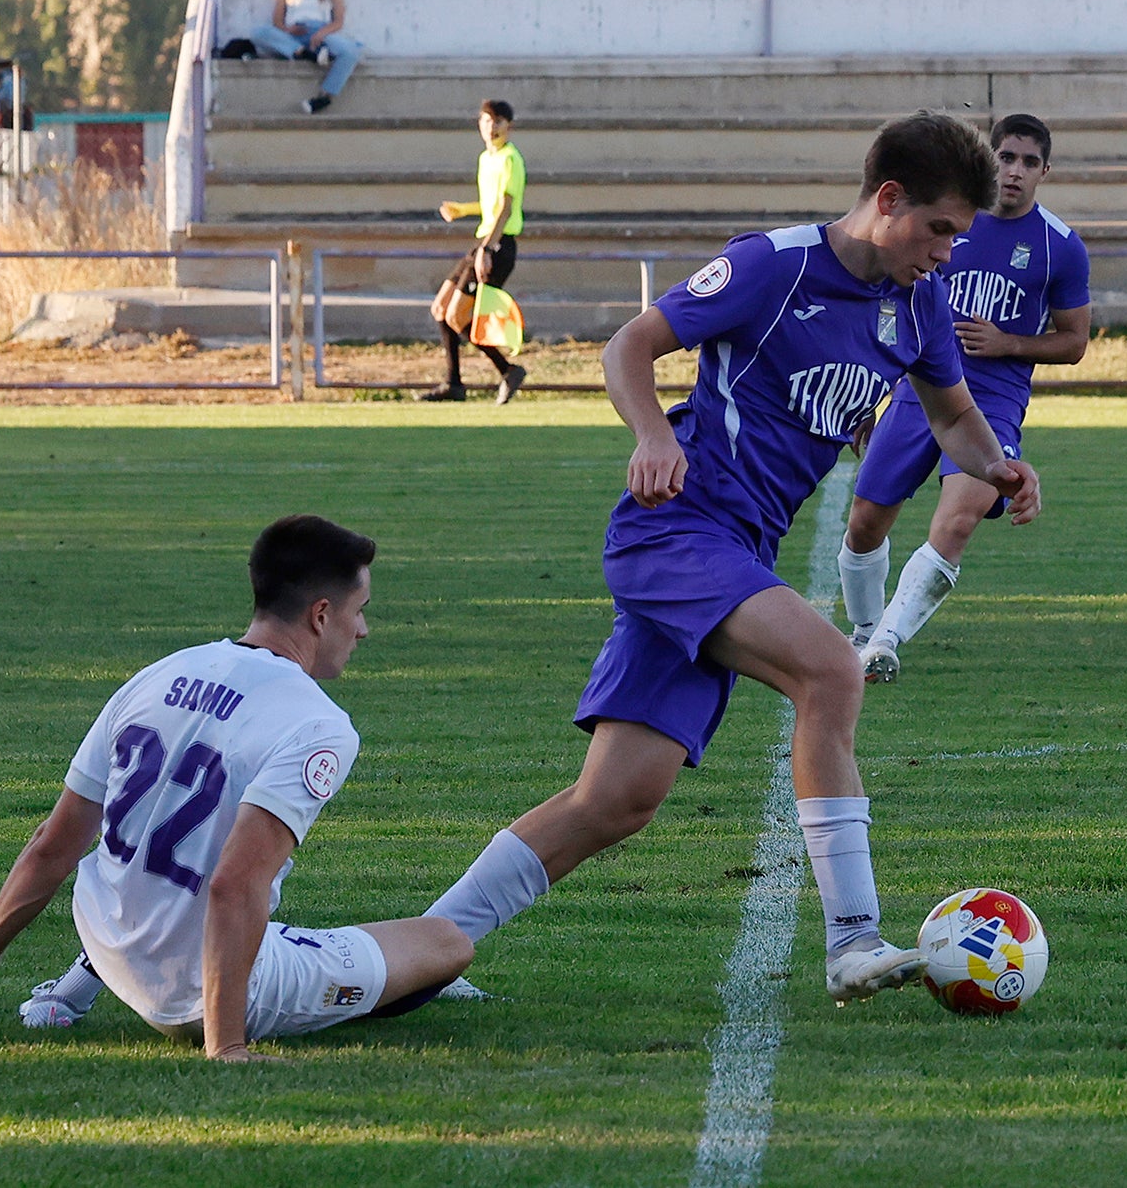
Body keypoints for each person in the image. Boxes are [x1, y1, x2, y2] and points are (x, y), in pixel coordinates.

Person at [419, 111, 1041, 1007]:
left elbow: (952, 415)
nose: (947, 251)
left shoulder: (919, 303)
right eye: (939, 228)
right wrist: (651, 435)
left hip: (735, 550)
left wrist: (1000, 466)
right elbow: (630, 345)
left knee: (618, 798)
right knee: (832, 670)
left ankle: (424, 948)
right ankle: (853, 938)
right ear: (887, 199)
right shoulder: (772, 266)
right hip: (677, 531)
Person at [0, 516, 474, 1061]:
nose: (363, 630)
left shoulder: (159, 673)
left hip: (108, 941)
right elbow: (235, 884)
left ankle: (81, 981)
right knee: (445, 943)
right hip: (193, 995)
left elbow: (54, 841)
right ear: (322, 614)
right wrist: (225, 1043)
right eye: (360, 611)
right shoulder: (318, 724)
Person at [838, 113, 1090, 685]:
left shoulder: (1060, 247)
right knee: (865, 523)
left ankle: (884, 644)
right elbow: (889, 306)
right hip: (918, 390)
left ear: (1045, 171)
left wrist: (1010, 343)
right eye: (1007, 157)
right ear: (988, 160)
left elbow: (1075, 342)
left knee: (957, 521)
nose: (1015, 171)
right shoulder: (945, 222)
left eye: (1029, 162)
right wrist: (873, 388)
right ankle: (864, 631)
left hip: (994, 400)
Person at [423, 99, 528, 403]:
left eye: (497, 121)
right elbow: (491, 204)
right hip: (483, 241)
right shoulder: (486, 158)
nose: (491, 127)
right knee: (440, 310)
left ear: (509, 126)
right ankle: (454, 384)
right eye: (486, 121)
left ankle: (508, 370)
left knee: (457, 317)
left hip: (498, 245)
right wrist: (463, 209)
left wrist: (487, 249)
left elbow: (505, 209)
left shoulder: (510, 158)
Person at [250, 0, 361, 116]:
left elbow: (338, 21)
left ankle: (325, 96)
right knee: (258, 33)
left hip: (321, 33)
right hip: (294, 34)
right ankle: (303, 53)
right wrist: (287, 29)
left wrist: (321, 33)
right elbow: (277, 20)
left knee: (350, 51)